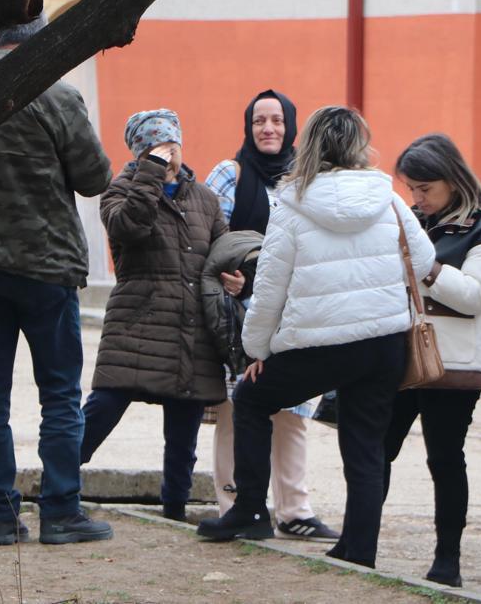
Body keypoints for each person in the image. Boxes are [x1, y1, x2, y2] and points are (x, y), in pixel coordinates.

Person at [197, 106, 436, 571]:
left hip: (320, 343)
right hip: (383, 341)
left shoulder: (291, 202)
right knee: (366, 443)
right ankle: (359, 549)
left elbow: (269, 287)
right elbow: (423, 262)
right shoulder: (386, 196)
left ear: (309, 146)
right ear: (358, 146)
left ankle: (248, 509)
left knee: (249, 400)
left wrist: (257, 351)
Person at [0, 13, 114, 546]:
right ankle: (61, 511)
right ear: (40, 41)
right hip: (45, 264)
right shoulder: (57, 94)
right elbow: (95, 178)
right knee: (59, 393)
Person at [80, 109, 228, 523]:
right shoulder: (120, 191)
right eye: (156, 147)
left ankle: (176, 509)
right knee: (101, 410)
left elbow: (220, 252)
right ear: (140, 151)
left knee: (184, 430)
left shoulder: (204, 198)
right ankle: (58, 482)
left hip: (190, 328)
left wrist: (237, 275)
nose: (168, 154)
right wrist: (150, 174)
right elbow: (130, 228)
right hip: (137, 322)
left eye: (172, 145)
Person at [204, 89, 338, 541]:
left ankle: (294, 510)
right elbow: (208, 236)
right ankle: (235, 505)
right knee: (234, 409)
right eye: (260, 120)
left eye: (277, 121)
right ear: (248, 125)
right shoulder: (230, 173)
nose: (268, 129)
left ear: (291, 126)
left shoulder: (306, 179)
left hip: (292, 311)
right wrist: (229, 274)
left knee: (294, 412)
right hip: (238, 313)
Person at [384, 133, 481, 587]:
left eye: (426, 189)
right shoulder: (418, 222)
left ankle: (448, 559)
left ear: (453, 181)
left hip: (454, 368)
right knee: (376, 450)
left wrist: (428, 268)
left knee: (444, 458)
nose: (417, 199)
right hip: (404, 358)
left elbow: (476, 296)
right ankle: (358, 543)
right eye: (412, 189)